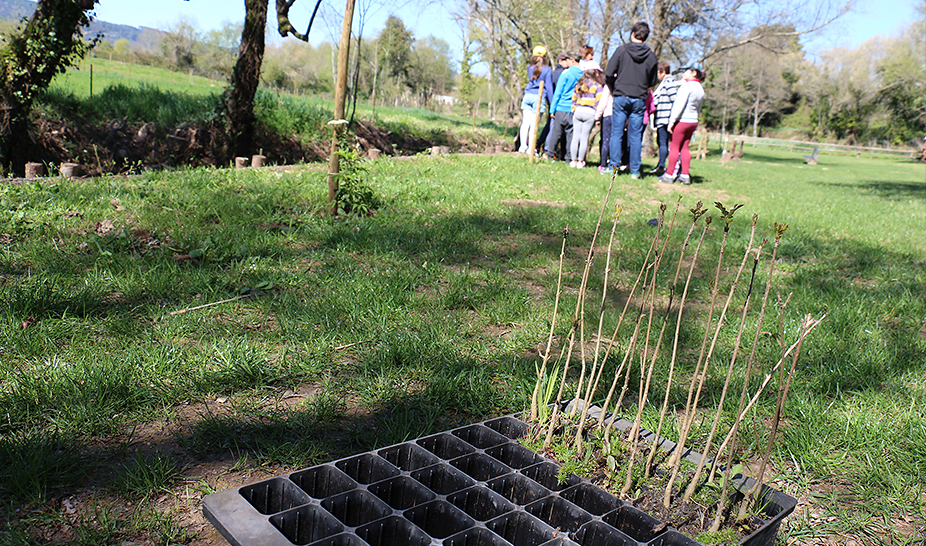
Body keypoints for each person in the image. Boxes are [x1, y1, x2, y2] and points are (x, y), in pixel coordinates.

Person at [604, 21, 658, 179]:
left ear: (633, 33)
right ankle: (635, 171)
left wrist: (614, 89)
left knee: (617, 133)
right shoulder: (651, 56)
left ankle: (614, 167)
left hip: (621, 95)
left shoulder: (621, 51)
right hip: (639, 98)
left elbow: (609, 73)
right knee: (635, 136)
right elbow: (653, 80)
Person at [659, 67, 705, 185]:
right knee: (685, 147)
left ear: (694, 73)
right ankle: (685, 175)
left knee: (674, 147)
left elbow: (679, 105)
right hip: (693, 121)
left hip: (682, 120)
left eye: (686, 71)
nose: (683, 73)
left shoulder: (687, 87)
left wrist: (672, 121)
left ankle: (669, 174)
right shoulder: (699, 88)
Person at [544, 51, 583, 161]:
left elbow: (558, 92)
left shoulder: (566, 73)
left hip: (561, 107)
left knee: (556, 133)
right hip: (574, 109)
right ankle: (569, 158)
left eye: (567, 60)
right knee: (571, 135)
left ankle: (550, 154)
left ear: (572, 60)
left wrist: (552, 109)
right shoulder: (583, 74)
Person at [569, 69, 606, 168]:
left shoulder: (578, 84)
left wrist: (574, 109)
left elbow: (574, 98)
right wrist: (598, 116)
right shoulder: (597, 85)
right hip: (590, 112)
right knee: (584, 138)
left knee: (575, 136)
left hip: (578, 111)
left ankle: (573, 160)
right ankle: (580, 161)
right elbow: (599, 101)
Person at [518, 54, 554, 154]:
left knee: (525, 123)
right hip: (538, 97)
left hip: (527, 96)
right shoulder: (547, 70)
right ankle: (531, 148)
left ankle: (522, 147)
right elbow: (549, 86)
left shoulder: (529, 68)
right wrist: (551, 103)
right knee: (534, 124)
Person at [651, 62, 679, 175]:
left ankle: (662, 166)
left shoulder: (669, 82)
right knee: (661, 142)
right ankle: (661, 164)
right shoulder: (664, 83)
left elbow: (675, 99)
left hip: (666, 119)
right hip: (661, 119)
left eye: (657, 73)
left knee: (663, 142)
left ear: (663, 72)